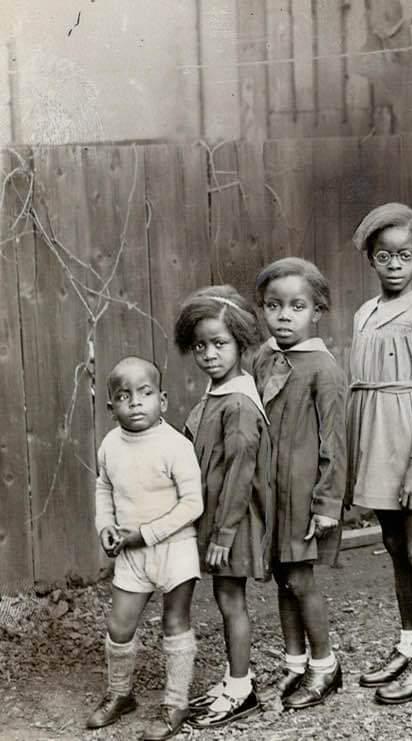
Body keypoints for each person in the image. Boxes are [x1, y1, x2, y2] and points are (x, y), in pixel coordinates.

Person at [348, 204, 412, 704]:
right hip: (375, 439)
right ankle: (408, 645)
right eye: (384, 255)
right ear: (371, 258)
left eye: (404, 255)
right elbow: (358, 390)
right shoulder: (364, 313)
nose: (393, 264)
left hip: (411, 438)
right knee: (391, 544)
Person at [86, 357, 203, 741]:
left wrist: (146, 533)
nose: (135, 403)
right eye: (124, 396)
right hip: (132, 555)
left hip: (174, 549)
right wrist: (106, 526)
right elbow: (104, 486)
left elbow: (192, 505)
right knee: (119, 625)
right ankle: (121, 694)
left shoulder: (175, 445)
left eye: (145, 393)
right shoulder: (110, 445)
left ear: (163, 400)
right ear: (111, 407)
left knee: (174, 623)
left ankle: (175, 702)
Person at [175, 286, 273, 728]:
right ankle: (236, 680)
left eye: (220, 344)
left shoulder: (238, 403)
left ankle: (242, 690)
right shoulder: (216, 393)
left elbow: (240, 473)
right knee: (224, 595)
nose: (210, 354)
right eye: (201, 345)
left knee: (231, 598)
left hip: (231, 520)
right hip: (214, 517)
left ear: (240, 342)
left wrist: (224, 534)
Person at [252, 257, 347, 710]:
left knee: (301, 579)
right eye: (274, 306)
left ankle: (325, 666)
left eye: (296, 306)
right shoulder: (262, 358)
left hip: (302, 495)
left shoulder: (323, 370)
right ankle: (295, 662)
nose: (284, 316)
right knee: (281, 579)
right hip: (270, 493)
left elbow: (334, 441)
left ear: (317, 311)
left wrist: (327, 502)